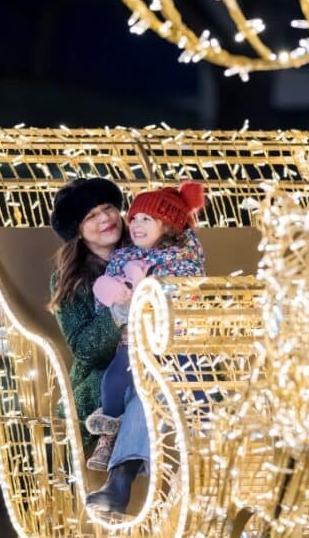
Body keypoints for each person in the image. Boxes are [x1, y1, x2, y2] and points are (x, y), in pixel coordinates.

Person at [82, 183, 207, 481]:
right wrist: (117, 297)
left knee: (186, 386)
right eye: (134, 218)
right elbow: (104, 299)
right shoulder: (123, 258)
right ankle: (108, 434)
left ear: (168, 225)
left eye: (146, 219)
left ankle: (188, 446)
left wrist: (149, 292)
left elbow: (187, 295)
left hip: (174, 343)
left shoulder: (184, 259)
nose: (136, 224)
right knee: (113, 382)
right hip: (134, 342)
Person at [46, 178, 148, 515]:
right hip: (103, 377)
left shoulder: (148, 251)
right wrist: (118, 311)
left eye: (108, 208)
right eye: (91, 216)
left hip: (159, 358)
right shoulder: (69, 278)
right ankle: (119, 482)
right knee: (143, 389)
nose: (105, 218)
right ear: (77, 230)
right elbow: (85, 349)